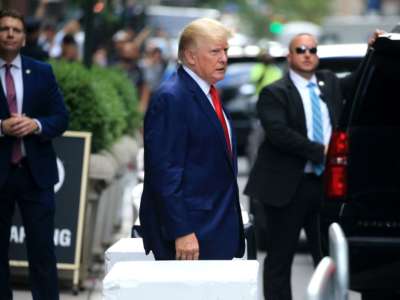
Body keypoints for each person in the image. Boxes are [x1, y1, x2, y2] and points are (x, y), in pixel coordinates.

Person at [139, 18, 245, 260]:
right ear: (190, 56)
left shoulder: (208, 92)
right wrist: (182, 231)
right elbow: (164, 172)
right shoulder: (172, 98)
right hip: (191, 236)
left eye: (225, 51)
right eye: (215, 51)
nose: (224, 59)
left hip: (215, 229)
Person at [0, 9, 69, 300]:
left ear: (24, 38)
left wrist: (36, 124)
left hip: (35, 173)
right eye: (4, 29)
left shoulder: (41, 71)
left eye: (16, 29)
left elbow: (61, 118)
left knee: (42, 250)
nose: (11, 34)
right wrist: (1, 127)